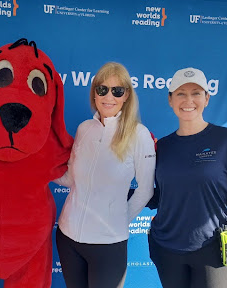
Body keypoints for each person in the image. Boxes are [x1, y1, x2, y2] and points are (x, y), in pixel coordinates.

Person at [148, 67, 227, 288]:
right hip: (167, 250)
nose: (188, 100)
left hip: (213, 252)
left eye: (196, 93)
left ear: (207, 98)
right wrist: (113, 191)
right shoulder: (163, 146)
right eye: (180, 93)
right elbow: (160, 196)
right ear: (170, 100)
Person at [54, 62, 156, 288]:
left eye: (117, 90)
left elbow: (146, 190)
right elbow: (71, 178)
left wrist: (117, 220)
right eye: (102, 89)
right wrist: (38, 172)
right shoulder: (84, 129)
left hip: (108, 244)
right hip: (67, 237)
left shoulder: (138, 135)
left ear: (126, 95)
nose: (108, 96)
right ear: (94, 93)